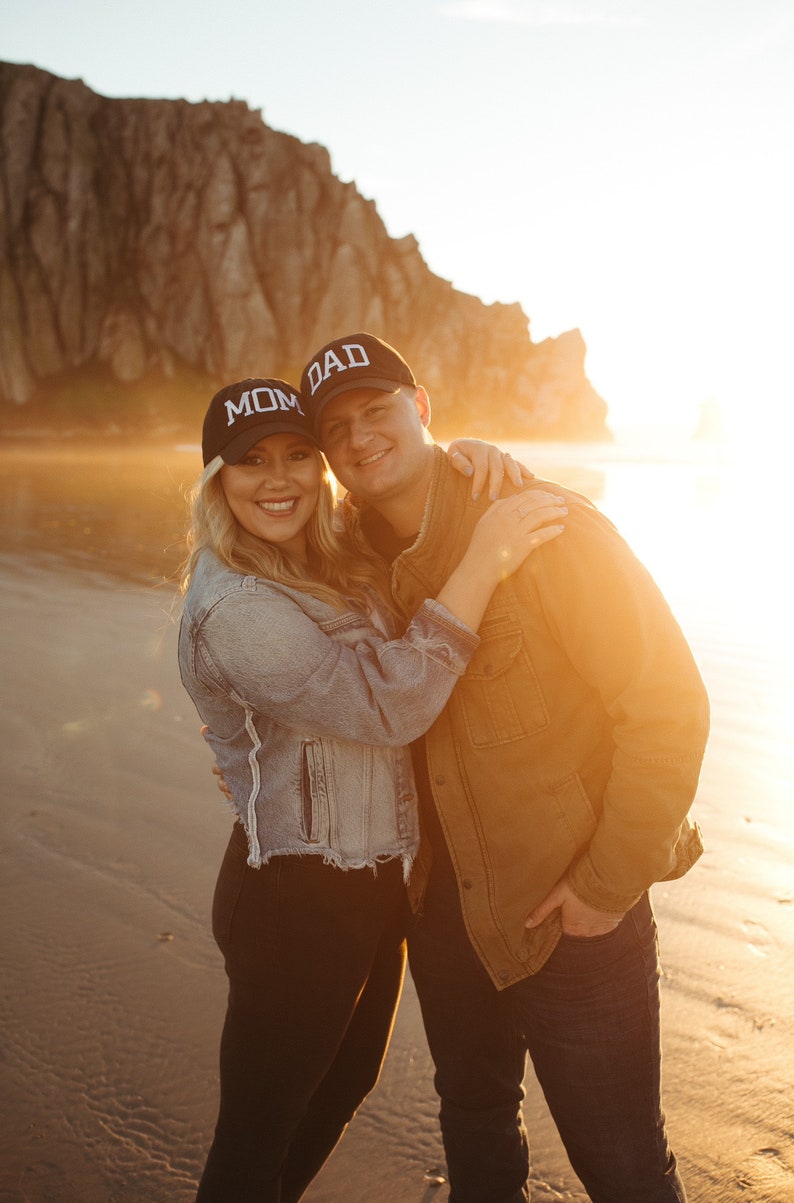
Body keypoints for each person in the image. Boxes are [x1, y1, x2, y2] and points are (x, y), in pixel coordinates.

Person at [298, 332, 711, 1203]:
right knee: (478, 1139)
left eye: (377, 410)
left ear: (423, 408)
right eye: (336, 429)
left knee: (627, 1169)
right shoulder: (349, 565)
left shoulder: (545, 525)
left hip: (575, 922)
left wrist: (604, 886)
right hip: (445, 925)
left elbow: (668, 705)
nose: (360, 437)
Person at [177, 375, 567, 1202]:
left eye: (296, 456)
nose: (278, 478)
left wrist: (463, 463)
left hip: (371, 886)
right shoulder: (236, 605)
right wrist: (486, 559)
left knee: (338, 1089)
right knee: (255, 1136)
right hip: (293, 898)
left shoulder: (327, 550)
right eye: (252, 462)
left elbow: (402, 507)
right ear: (218, 478)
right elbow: (391, 705)